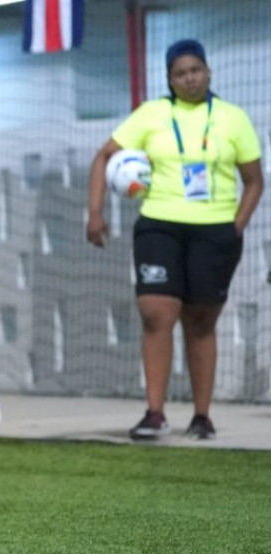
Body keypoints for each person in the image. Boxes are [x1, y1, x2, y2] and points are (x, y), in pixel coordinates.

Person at [86, 39, 263, 441]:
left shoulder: (233, 118)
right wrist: (95, 213)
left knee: (201, 321)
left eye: (195, 70)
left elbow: (254, 181)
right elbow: (103, 157)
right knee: (156, 314)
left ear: (208, 71)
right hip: (159, 225)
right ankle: (154, 412)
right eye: (180, 73)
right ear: (169, 79)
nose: (189, 78)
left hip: (215, 231)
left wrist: (235, 225)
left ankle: (202, 416)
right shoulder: (151, 115)